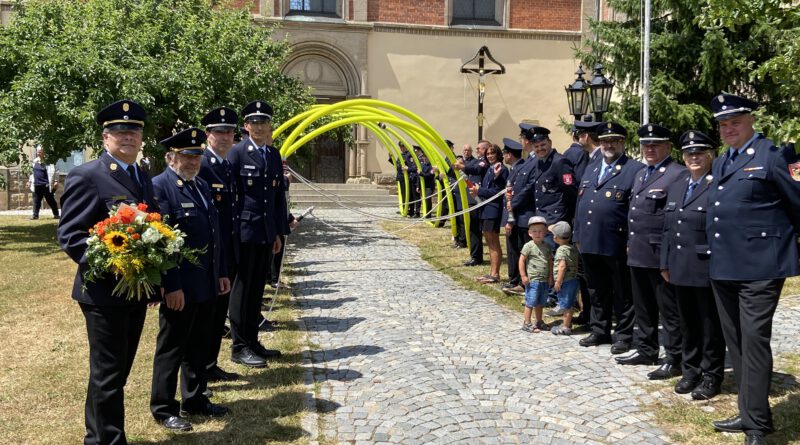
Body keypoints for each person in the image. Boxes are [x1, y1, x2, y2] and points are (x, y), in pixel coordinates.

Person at [57, 99, 158, 445]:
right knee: (108, 373)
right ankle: (110, 440)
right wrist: (115, 262)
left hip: (135, 292)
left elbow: (155, 230)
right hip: (102, 292)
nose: (128, 136)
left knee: (116, 372)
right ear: (105, 136)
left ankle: (95, 436)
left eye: (134, 130)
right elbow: (70, 235)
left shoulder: (141, 177)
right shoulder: (87, 175)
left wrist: (150, 277)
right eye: (120, 130)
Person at [705, 94, 800, 445]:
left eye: (735, 122)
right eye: (723, 124)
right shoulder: (721, 162)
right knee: (738, 342)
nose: (728, 129)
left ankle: (757, 426)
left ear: (750, 121)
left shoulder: (775, 155)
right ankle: (748, 410)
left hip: (761, 266)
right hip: (724, 265)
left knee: (755, 341)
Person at [150, 128, 231, 431]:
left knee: (199, 344)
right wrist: (171, 285)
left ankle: (195, 398)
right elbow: (162, 242)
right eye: (187, 155)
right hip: (180, 286)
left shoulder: (200, 185)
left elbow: (215, 235)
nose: (193, 161)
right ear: (171, 157)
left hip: (206, 282)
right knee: (172, 347)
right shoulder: (160, 187)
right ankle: (163, 407)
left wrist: (221, 272)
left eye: (197, 155)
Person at [616, 124, 687, 382]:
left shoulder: (677, 174)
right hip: (637, 251)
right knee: (643, 307)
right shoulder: (641, 174)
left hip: (660, 254)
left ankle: (674, 357)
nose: (650, 149)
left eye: (655, 144)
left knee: (668, 310)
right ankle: (646, 349)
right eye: (646, 145)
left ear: (668, 147)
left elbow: (673, 219)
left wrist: (668, 255)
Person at [660, 130, 726, 401]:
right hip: (679, 266)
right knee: (687, 323)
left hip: (706, 266)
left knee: (710, 324)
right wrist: (664, 262)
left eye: (699, 152)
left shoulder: (718, 184)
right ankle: (690, 371)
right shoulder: (678, 184)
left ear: (711, 155)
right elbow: (667, 228)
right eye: (689, 153)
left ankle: (712, 375)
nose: (694, 157)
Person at [227, 100, 290, 368]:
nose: (260, 127)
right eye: (254, 122)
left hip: (265, 232)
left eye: (264, 122)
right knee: (242, 290)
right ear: (246, 126)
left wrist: (278, 233)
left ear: (270, 126)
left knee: (256, 290)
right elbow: (232, 197)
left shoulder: (273, 155)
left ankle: (252, 341)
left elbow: (275, 198)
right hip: (244, 232)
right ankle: (239, 346)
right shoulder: (237, 153)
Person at [574, 122, 643, 355]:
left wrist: (631, 242)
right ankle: (599, 329)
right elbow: (581, 203)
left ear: (623, 142)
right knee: (595, 289)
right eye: (605, 141)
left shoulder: (634, 169)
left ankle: (624, 335)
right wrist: (577, 234)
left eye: (614, 140)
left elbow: (636, 211)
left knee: (622, 292)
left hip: (617, 242)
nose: (609, 145)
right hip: (590, 239)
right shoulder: (592, 167)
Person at [197, 106, 241, 383]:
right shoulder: (201, 165)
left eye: (228, 132)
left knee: (217, 316)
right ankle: (200, 369)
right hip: (209, 255)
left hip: (227, 252)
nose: (224, 137)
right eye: (218, 132)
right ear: (207, 135)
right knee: (206, 317)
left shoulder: (226, 165)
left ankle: (210, 364)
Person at [502, 124, 538, 294]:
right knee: (520, 250)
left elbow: (529, 188)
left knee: (526, 252)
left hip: (526, 213)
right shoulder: (528, 161)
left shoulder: (534, 161)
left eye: (522, 138)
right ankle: (521, 282)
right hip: (519, 213)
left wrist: (513, 203)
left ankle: (526, 284)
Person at [471, 143, 507, 284]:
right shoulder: (490, 169)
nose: (490, 156)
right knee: (489, 241)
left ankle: (495, 274)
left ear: (498, 155)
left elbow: (497, 192)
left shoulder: (501, 169)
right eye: (488, 154)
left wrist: (479, 190)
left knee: (493, 241)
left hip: (493, 210)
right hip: (485, 209)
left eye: (493, 153)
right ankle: (492, 272)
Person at [455, 142, 489, 266]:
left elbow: (477, 169)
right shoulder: (477, 161)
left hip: (481, 199)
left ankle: (477, 256)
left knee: (480, 230)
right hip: (474, 198)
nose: (477, 150)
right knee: (473, 228)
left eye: (478, 149)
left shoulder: (484, 162)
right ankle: (475, 256)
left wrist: (462, 167)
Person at [499, 137, 525, 294]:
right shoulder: (515, 169)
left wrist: (510, 219)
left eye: (505, 153)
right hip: (512, 215)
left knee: (515, 249)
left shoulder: (520, 169)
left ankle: (516, 280)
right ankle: (513, 279)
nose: (503, 156)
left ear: (510, 155)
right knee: (512, 249)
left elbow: (515, 197)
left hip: (516, 217)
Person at [519, 216, 553, 332]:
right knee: (530, 301)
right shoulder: (528, 246)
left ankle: (539, 321)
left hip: (544, 280)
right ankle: (527, 322)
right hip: (533, 280)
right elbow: (521, 260)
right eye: (534, 231)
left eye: (540, 231)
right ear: (529, 233)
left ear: (545, 232)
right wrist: (523, 275)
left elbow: (549, 262)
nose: (538, 233)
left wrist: (550, 277)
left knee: (540, 302)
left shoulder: (547, 247)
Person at [548, 221, 580, 335]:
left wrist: (558, 281)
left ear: (555, 237)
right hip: (574, 279)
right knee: (570, 302)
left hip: (565, 281)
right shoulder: (572, 248)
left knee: (566, 305)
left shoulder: (561, 250)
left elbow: (562, 266)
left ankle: (565, 327)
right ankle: (568, 322)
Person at [28, 147, 60, 219]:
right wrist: (29, 181)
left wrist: (56, 181)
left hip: (46, 185)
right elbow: (31, 173)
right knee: (36, 201)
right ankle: (35, 215)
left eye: (39, 152)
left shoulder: (49, 162)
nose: (38, 153)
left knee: (50, 200)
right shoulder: (34, 161)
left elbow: (56, 171)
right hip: (36, 184)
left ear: (44, 153)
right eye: (37, 152)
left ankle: (56, 214)